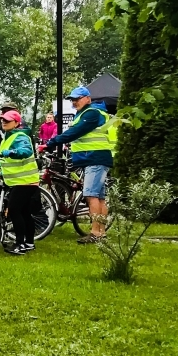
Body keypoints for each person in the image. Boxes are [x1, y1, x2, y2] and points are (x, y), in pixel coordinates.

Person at [46, 86, 111, 243]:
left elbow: (75, 132)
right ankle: (101, 232)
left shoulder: (92, 113)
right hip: (93, 159)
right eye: (73, 100)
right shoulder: (84, 114)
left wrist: (51, 142)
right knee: (99, 197)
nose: (75, 102)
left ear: (88, 98)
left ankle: (95, 233)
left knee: (91, 195)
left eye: (78, 98)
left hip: (95, 159)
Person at [0, 110, 39, 254]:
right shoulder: (7, 137)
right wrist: (2, 172)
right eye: (3, 120)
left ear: (16, 123)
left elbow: (26, 151)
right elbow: (6, 161)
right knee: (25, 213)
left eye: (7, 120)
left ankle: (20, 244)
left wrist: (11, 153)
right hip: (20, 181)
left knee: (14, 211)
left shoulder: (20, 136)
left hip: (25, 182)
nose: (4, 122)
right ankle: (29, 243)